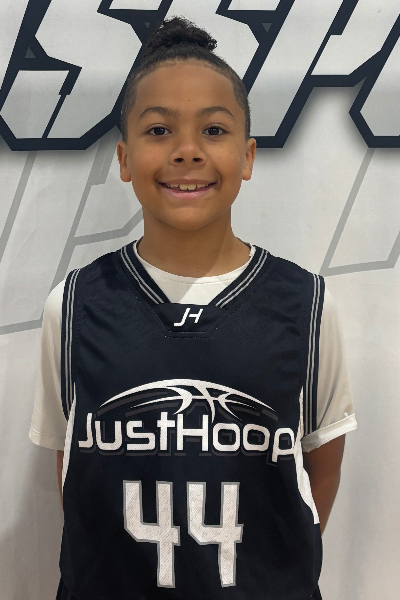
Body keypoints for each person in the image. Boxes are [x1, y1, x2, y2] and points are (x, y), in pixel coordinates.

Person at [29, 16, 357, 600]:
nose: (187, 152)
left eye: (213, 129)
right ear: (124, 158)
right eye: (159, 130)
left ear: (248, 156)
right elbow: (74, 472)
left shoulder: (306, 304)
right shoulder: (74, 304)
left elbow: (319, 469)